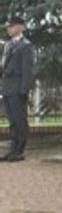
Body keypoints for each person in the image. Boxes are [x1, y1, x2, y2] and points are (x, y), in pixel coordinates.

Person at [2, 16, 35, 162]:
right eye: (8, 26)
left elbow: (27, 70)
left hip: (17, 88)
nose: (9, 29)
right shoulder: (8, 45)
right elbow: (4, 66)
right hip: (7, 87)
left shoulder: (25, 45)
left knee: (19, 119)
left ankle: (20, 150)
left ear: (21, 27)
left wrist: (24, 90)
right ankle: (13, 148)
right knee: (12, 121)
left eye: (12, 26)